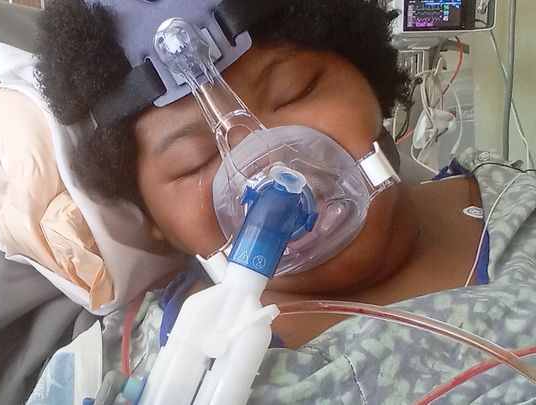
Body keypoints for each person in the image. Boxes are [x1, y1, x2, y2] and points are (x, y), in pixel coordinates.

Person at [32, 0, 536, 402]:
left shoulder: (519, 204)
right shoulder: (116, 369)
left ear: (369, 81)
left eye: (297, 91)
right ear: (151, 219)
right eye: (193, 161)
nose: (270, 163)